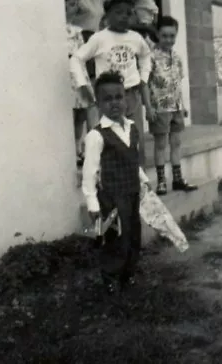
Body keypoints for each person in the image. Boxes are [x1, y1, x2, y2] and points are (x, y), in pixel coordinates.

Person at [82, 70, 150, 292]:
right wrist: (92, 203)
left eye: (119, 97)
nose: (114, 103)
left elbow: (133, 160)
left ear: (126, 99)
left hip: (132, 193)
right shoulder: (96, 135)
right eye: (107, 99)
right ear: (98, 104)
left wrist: (143, 179)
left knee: (132, 235)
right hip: (111, 198)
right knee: (115, 239)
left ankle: (128, 274)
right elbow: (90, 173)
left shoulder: (132, 128)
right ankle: (110, 278)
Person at [70, 0, 154, 166]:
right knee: (112, 141)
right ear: (107, 16)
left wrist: (143, 79)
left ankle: (138, 184)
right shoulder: (99, 38)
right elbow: (76, 59)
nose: (124, 17)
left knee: (135, 141)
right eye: (118, 12)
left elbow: (146, 56)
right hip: (110, 99)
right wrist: (82, 85)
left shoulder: (135, 38)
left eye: (128, 13)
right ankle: (116, 184)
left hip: (131, 96)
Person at [148, 16, 197, 195]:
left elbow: (177, 83)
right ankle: (161, 182)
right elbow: (144, 83)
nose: (168, 40)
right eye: (164, 36)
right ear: (157, 35)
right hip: (160, 107)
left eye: (172, 36)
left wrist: (182, 105)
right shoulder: (151, 57)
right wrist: (148, 107)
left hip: (176, 107)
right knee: (160, 144)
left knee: (176, 143)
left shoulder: (177, 57)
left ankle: (177, 179)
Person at [65, 0, 96, 167]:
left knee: (81, 114)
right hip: (67, 75)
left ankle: (78, 147)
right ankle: (72, 149)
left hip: (79, 75)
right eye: (69, 4)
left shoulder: (78, 31)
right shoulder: (58, 31)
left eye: (74, 5)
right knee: (70, 114)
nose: (72, 8)